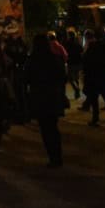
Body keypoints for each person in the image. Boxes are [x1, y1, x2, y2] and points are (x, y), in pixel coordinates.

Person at [23, 32, 67, 168]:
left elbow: (26, 78)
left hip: (40, 96)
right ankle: (57, 156)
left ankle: (53, 157)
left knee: (45, 128)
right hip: (53, 96)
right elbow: (62, 76)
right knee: (53, 127)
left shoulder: (33, 60)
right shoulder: (53, 59)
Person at [82, 28, 105, 129]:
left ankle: (96, 119)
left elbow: (86, 62)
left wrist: (86, 75)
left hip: (94, 76)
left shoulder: (92, 47)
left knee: (94, 99)